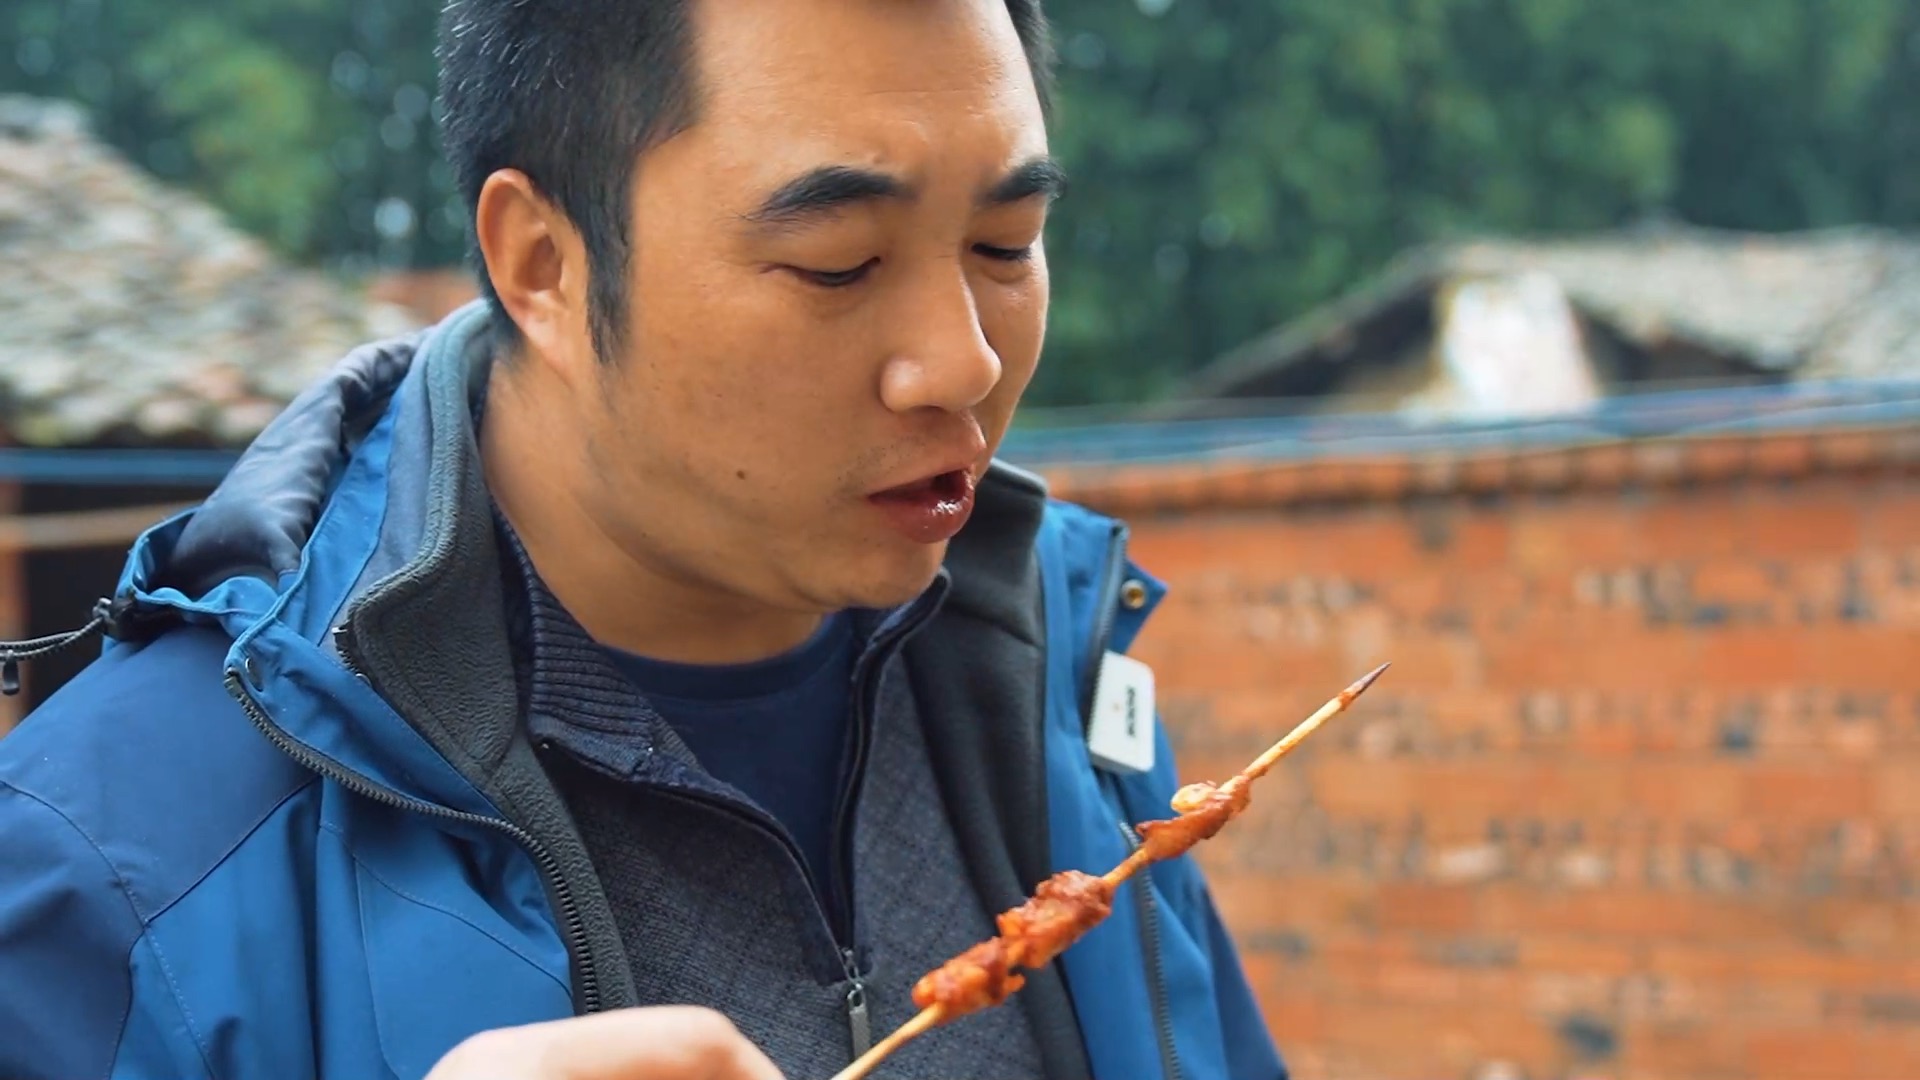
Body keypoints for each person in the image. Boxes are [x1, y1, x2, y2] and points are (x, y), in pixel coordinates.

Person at [0, 1, 1286, 1077]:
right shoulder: (115, 870)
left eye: (1006, 243)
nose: (963, 360)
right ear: (543, 263)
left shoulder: (1056, 673)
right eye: (840, 261)